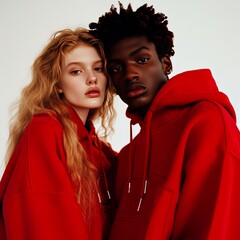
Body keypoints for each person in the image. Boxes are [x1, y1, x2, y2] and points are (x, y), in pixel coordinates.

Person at [89, 2, 240, 239]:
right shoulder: (130, 154)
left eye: (141, 60)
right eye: (116, 68)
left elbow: (216, 224)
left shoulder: (206, 121)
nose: (130, 74)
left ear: (165, 63)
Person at [0, 28, 117, 240]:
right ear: (57, 85)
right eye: (76, 71)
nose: (92, 79)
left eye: (98, 68)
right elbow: (40, 220)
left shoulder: (96, 147)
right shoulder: (45, 130)